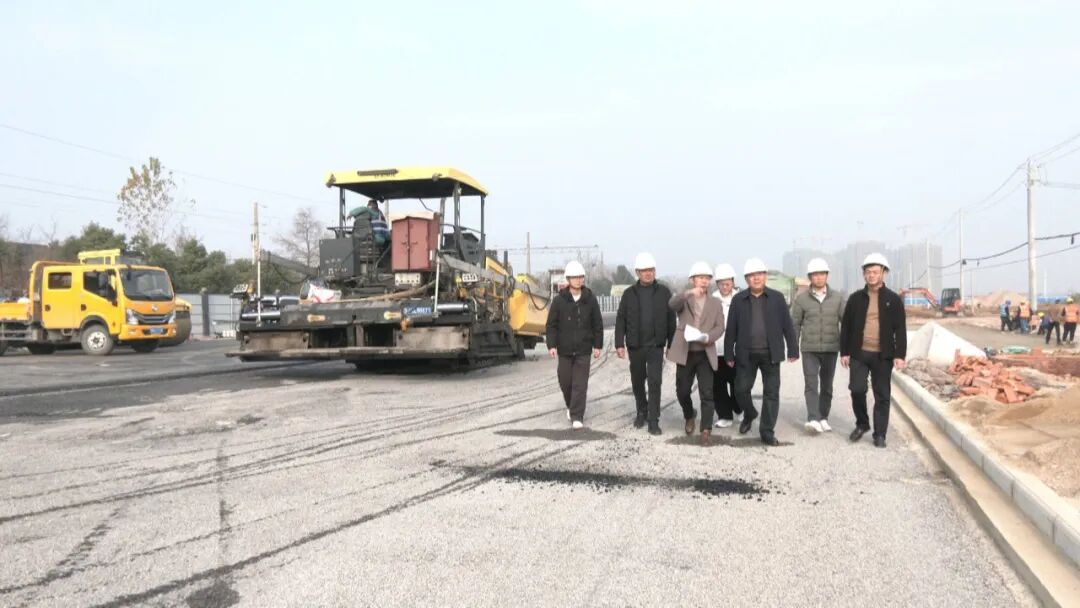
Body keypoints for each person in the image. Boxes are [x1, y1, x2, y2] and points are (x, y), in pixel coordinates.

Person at [724, 258, 799, 447]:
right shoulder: (738, 300)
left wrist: (793, 348)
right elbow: (731, 329)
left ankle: (767, 431)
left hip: (771, 354)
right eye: (751, 275)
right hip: (746, 354)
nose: (756, 278)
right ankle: (750, 414)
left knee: (771, 393)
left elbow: (787, 325)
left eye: (759, 274)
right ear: (746, 279)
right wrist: (729, 353)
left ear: (765, 276)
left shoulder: (777, 298)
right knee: (740, 389)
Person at [840, 253, 907, 448]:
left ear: (884, 273)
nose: (871, 275)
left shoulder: (893, 299)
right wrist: (844, 352)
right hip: (859, 353)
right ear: (864, 274)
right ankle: (862, 424)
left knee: (882, 394)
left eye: (875, 272)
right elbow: (846, 327)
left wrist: (900, 355)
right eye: (868, 272)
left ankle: (880, 434)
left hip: (882, 355)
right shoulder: (855, 298)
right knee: (857, 389)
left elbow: (900, 329)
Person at [615, 252, 676, 435]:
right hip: (636, 346)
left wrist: (671, 345)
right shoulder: (629, 294)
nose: (648, 273)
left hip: (656, 346)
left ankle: (653, 419)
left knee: (655, 382)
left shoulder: (664, 292)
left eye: (651, 270)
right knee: (637, 381)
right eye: (644, 271)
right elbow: (621, 319)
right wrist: (619, 343)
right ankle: (642, 410)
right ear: (638, 272)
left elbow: (671, 320)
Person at [667, 262, 726, 445]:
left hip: (705, 353)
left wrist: (709, 336)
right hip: (686, 351)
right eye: (700, 277)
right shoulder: (684, 299)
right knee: (682, 391)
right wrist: (688, 293)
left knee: (707, 392)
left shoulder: (715, 303)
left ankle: (706, 429)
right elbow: (672, 304)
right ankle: (689, 414)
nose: (704, 281)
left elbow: (720, 326)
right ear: (693, 280)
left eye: (707, 278)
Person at [790, 258, 846, 435]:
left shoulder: (837, 298)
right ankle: (813, 418)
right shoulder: (801, 300)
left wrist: (847, 349)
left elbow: (846, 323)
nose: (819, 277)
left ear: (827, 276)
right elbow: (795, 324)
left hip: (831, 348)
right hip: (810, 349)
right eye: (815, 274)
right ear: (810, 277)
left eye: (822, 274)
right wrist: (793, 348)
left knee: (827, 385)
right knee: (811, 384)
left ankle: (823, 418)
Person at [546, 261, 604, 429]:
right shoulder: (559, 301)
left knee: (580, 383)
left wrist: (598, 345)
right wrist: (551, 345)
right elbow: (551, 325)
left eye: (580, 277)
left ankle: (577, 416)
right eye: (575, 277)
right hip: (564, 350)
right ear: (568, 279)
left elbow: (597, 324)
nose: (578, 280)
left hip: (583, 350)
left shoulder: (590, 299)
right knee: (565, 381)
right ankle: (571, 405)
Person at [711, 263, 742, 428]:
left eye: (728, 283)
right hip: (716, 350)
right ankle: (725, 415)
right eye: (721, 283)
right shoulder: (712, 300)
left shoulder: (741, 298)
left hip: (736, 350)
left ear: (733, 282)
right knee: (718, 385)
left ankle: (739, 409)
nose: (725, 286)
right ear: (717, 283)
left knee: (738, 383)